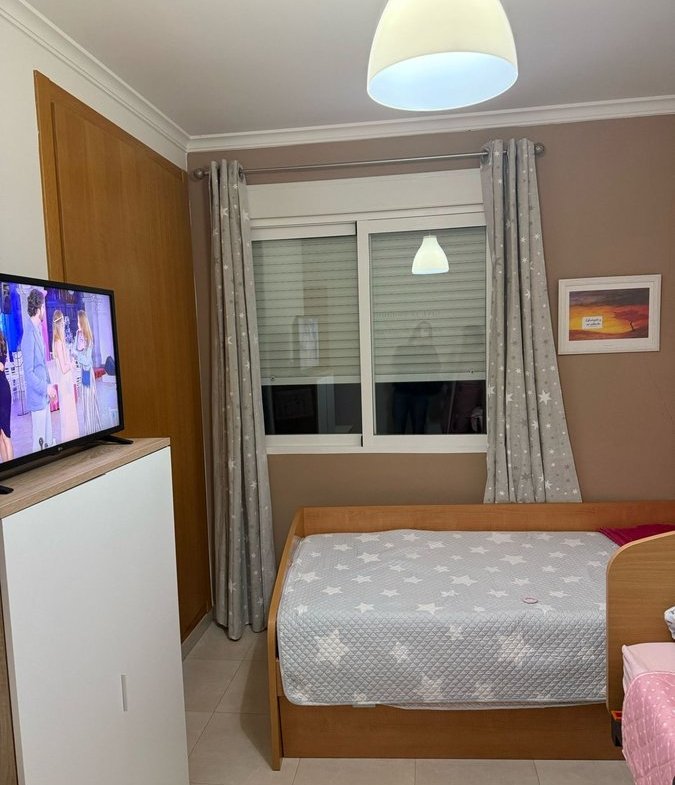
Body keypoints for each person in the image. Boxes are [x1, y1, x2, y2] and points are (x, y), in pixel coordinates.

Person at [22, 289, 56, 451]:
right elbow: (28, 374)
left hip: (44, 396)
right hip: (37, 398)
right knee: (40, 445)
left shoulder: (36, 329)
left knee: (48, 441)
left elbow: (41, 364)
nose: (44, 310)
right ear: (38, 308)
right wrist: (45, 387)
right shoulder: (29, 333)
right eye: (43, 306)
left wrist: (50, 386)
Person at [51, 310, 80, 443]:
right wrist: (72, 364)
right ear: (61, 323)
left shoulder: (59, 341)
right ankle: (70, 439)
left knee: (70, 411)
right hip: (65, 381)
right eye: (63, 322)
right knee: (68, 413)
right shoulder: (58, 342)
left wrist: (69, 360)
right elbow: (63, 368)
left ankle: (73, 438)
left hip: (66, 380)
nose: (65, 325)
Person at [74, 309, 102, 435]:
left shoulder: (89, 338)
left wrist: (77, 354)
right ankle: (88, 430)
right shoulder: (78, 335)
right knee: (85, 403)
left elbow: (86, 360)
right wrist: (77, 348)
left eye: (78, 321)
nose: (77, 324)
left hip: (87, 373)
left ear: (82, 322)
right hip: (82, 372)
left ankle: (92, 431)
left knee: (90, 402)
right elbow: (74, 350)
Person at [0, 330, 14, 462]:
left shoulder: (1, 342)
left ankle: (12, 467)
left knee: (5, 433)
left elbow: (1, 367)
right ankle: (5, 468)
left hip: (2, 392)